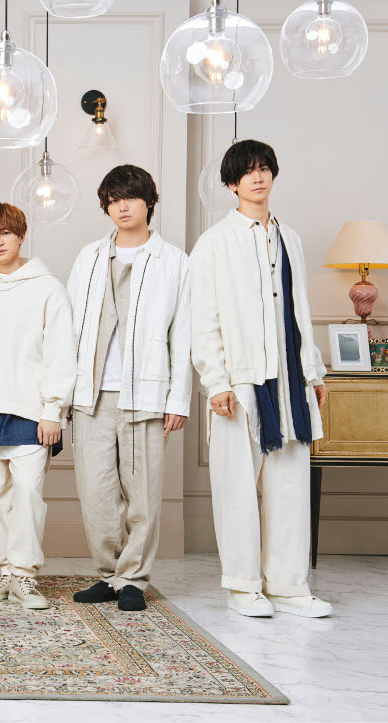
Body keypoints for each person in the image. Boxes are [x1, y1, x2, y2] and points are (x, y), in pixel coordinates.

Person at [190, 140, 331, 618]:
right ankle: (244, 586)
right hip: (241, 380)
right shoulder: (215, 242)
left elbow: (299, 310)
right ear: (232, 184)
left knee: (290, 484)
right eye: (248, 171)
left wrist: (313, 372)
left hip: (290, 379)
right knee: (236, 487)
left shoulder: (291, 238)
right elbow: (202, 318)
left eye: (264, 168)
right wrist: (216, 382)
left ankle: (288, 585)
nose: (258, 176)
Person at [66, 165, 191, 612]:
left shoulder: (174, 261)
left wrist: (178, 399)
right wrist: (64, 395)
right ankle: (108, 574)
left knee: (143, 494)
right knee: (96, 494)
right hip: (91, 395)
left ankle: (133, 578)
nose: (122, 206)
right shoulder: (89, 257)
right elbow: (69, 330)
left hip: (146, 394)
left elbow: (184, 334)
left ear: (148, 201)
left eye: (131, 197)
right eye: (114, 199)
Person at [0, 203, 76, 609]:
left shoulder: (48, 288)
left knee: (27, 493)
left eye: (5, 232)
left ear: (21, 235)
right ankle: (7, 571)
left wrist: (53, 410)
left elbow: (61, 352)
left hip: (30, 409)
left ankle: (24, 575)